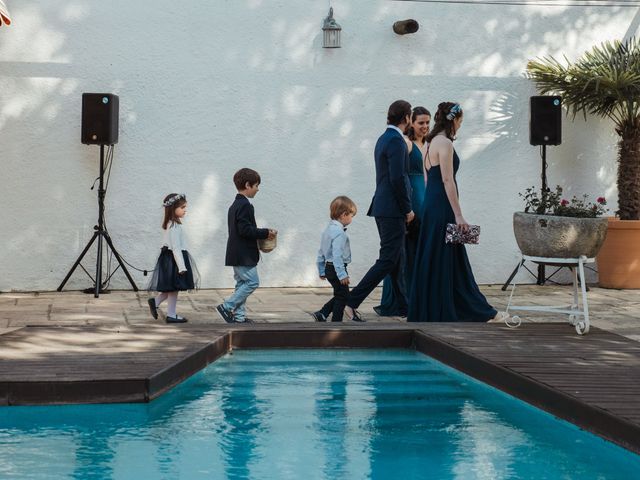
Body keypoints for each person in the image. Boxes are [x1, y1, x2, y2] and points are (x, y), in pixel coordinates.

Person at [408, 102, 497, 322]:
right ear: (453, 120)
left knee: (437, 255)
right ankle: (458, 306)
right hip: (442, 205)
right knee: (446, 255)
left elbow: (428, 179)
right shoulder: (445, 143)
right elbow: (448, 180)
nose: (460, 125)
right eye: (460, 121)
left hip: (431, 204)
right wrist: (458, 215)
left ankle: (434, 305)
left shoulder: (428, 143)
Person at [343, 100, 415, 322]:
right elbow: (397, 178)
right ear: (406, 118)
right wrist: (407, 209)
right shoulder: (396, 141)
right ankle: (351, 301)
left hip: (384, 207)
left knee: (397, 260)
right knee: (387, 260)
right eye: (411, 116)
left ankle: (405, 308)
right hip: (392, 209)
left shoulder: (384, 138)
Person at [374, 107, 431, 316]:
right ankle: (398, 300)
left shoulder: (429, 144)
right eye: (420, 123)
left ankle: (416, 298)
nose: (424, 127)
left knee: (419, 252)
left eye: (427, 122)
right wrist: (407, 207)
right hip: (412, 200)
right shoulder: (405, 144)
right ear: (410, 123)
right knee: (403, 252)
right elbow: (399, 176)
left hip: (428, 200)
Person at [217, 168, 277, 324]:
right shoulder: (245, 205)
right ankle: (226, 306)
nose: (258, 189)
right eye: (256, 185)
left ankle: (239, 317)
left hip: (235, 253)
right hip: (243, 254)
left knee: (242, 284)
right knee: (252, 282)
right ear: (248, 185)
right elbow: (244, 230)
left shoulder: (234, 205)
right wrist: (265, 233)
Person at [147, 193, 200, 323]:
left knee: (172, 287)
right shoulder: (174, 226)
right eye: (182, 207)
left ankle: (158, 303)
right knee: (173, 288)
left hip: (170, 258)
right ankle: (170, 313)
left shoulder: (171, 224)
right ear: (173, 209)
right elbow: (176, 248)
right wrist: (181, 267)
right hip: (175, 260)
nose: (185, 210)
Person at [311, 196, 357, 322]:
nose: (352, 218)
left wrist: (321, 270)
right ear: (344, 214)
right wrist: (342, 274)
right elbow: (337, 255)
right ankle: (336, 322)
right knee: (343, 297)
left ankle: (323, 313)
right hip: (337, 268)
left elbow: (321, 252)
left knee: (341, 294)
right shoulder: (340, 233)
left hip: (329, 268)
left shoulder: (328, 230)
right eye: (351, 216)